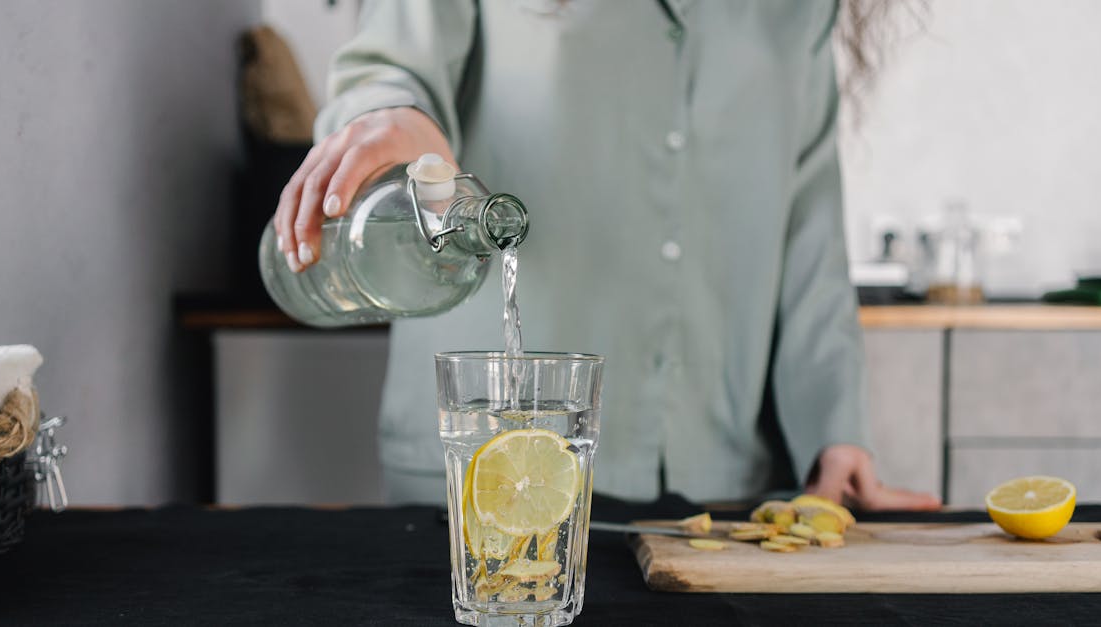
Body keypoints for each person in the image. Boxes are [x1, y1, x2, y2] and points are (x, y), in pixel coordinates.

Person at [272, 0, 940, 511]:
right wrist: (394, 119)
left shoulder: (801, 10)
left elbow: (809, 237)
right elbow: (392, 69)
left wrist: (834, 429)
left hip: (721, 486)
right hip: (491, 471)